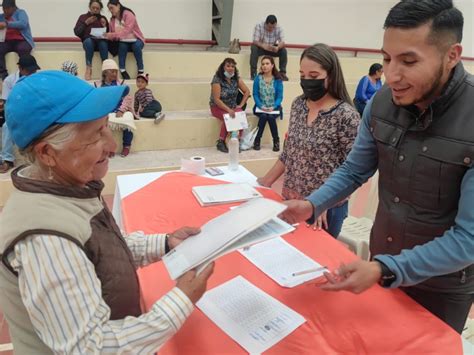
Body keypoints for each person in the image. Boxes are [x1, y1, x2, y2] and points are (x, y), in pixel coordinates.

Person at [280, 0, 473, 334]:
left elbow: (468, 239)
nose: (392, 74)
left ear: (452, 55)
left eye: (408, 61)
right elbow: (355, 169)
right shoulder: (383, 102)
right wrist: (313, 204)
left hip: (440, 289)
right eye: (386, 59)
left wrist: (386, 268)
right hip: (383, 267)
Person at [0, 70, 215, 353]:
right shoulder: (45, 239)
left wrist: (164, 243)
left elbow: (96, 249)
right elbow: (92, 347)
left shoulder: (65, 185)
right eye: (94, 136)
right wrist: (181, 301)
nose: (112, 146)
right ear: (47, 153)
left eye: (106, 128)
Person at [258, 44, 360, 238]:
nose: (306, 82)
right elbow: (289, 153)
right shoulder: (298, 105)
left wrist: (321, 202)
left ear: (331, 75)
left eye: (313, 76)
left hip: (325, 212)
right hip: (290, 202)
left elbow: (353, 171)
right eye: (302, 76)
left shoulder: (346, 115)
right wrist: (264, 183)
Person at [0, 54, 39, 174]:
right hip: (16, 113)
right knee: (7, 127)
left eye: (34, 70)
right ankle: (7, 159)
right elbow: (6, 103)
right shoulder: (10, 81)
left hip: (34, 113)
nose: (33, 73)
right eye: (30, 70)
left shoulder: (38, 80)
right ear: (21, 69)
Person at [95, 59, 134, 157]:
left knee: (128, 119)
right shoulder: (98, 85)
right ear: (105, 73)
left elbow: (128, 98)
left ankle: (127, 146)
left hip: (121, 109)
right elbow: (98, 101)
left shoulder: (122, 83)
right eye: (112, 71)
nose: (115, 74)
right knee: (103, 124)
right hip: (106, 110)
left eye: (116, 71)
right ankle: (109, 147)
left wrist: (121, 110)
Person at [209, 57, 250, 153]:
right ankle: (221, 142)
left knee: (240, 115)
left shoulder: (236, 79)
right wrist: (228, 110)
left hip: (232, 106)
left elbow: (247, 91)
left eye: (233, 66)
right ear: (223, 67)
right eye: (228, 66)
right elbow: (216, 99)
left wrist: (241, 104)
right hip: (217, 107)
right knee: (228, 117)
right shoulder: (217, 79)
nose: (230, 68)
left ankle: (236, 141)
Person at [105, 0, 145, 80]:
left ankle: (141, 70)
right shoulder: (112, 20)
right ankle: (122, 70)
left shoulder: (128, 14)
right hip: (123, 41)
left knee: (136, 46)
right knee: (122, 46)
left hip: (136, 39)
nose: (111, 10)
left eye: (112, 8)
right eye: (109, 9)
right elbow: (111, 33)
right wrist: (107, 34)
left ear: (118, 6)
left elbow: (127, 31)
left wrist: (112, 35)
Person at [252, 55, 283, 152]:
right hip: (260, 107)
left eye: (267, 63)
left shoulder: (278, 79)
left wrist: (273, 107)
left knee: (269, 116)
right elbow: (255, 94)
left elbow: (279, 97)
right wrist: (261, 106)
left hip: (274, 108)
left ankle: (275, 141)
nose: (264, 66)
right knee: (264, 116)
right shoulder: (258, 78)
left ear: (272, 65)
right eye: (263, 64)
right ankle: (257, 140)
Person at [74, 0, 109, 80]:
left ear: (100, 9)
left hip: (100, 42)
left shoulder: (103, 18)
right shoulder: (83, 17)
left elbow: (108, 34)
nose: (95, 10)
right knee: (89, 42)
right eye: (93, 8)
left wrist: (105, 26)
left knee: (103, 43)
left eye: (97, 8)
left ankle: (105, 70)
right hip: (89, 42)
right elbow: (77, 32)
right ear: (90, 7)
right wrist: (86, 23)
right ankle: (88, 69)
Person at [0, 0, 34, 80]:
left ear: (13, 8)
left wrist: (7, 24)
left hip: (21, 40)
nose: (5, 11)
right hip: (7, 41)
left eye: (7, 8)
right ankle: (3, 75)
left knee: (23, 49)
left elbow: (23, 23)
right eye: (3, 8)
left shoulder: (21, 13)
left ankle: (24, 74)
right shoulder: (1, 16)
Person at [250, 15, 288, 81]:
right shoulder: (259, 26)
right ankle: (253, 73)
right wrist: (263, 46)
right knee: (254, 48)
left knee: (283, 50)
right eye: (270, 27)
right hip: (261, 47)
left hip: (272, 48)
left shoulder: (279, 28)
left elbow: (283, 42)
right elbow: (255, 41)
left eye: (274, 27)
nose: (272, 29)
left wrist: (278, 47)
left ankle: (282, 73)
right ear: (266, 23)